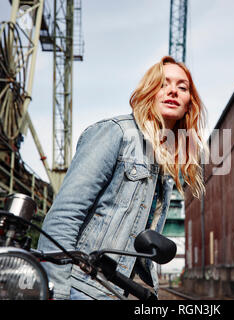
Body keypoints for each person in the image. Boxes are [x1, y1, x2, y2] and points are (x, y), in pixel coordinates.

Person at [37, 56, 208, 300]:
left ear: (189, 103)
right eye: (163, 83)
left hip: (114, 292)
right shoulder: (116, 132)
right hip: (82, 288)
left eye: (182, 87)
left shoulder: (162, 162)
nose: (173, 91)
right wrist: (56, 292)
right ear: (149, 91)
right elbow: (64, 215)